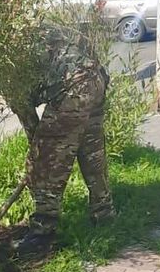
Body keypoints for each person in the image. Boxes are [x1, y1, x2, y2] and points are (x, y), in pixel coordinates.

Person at [10, 23, 115, 254]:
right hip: (96, 78)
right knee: (92, 153)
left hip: (73, 89)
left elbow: (30, 121)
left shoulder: (5, 64)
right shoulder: (31, 31)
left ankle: (42, 232)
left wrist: (39, 155)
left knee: (47, 162)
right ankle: (104, 213)